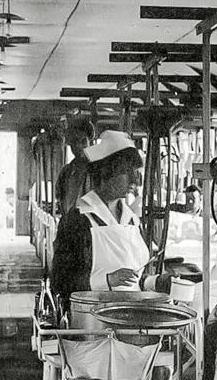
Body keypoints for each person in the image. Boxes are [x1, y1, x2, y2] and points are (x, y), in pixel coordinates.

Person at [51, 130, 170, 303]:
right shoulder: (78, 220)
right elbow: (59, 282)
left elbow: (136, 279)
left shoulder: (133, 221)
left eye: (135, 172)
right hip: (92, 319)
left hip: (133, 314)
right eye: (126, 172)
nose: (134, 181)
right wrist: (106, 281)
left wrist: (155, 282)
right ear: (106, 173)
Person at [54, 119, 95, 215]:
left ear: (89, 142)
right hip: (71, 224)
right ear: (71, 146)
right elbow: (60, 198)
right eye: (75, 142)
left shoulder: (98, 169)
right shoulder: (66, 172)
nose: (79, 146)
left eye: (83, 141)